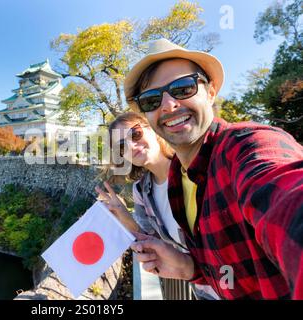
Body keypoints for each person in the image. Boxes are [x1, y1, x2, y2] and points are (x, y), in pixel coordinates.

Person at [123, 38, 303, 299]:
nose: (168, 105)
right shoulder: (178, 178)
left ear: (210, 91)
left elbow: (285, 197)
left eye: (183, 88)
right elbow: (229, 265)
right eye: (151, 100)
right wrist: (190, 268)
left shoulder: (246, 147)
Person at [95, 111, 219, 299]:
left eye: (135, 134)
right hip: (205, 290)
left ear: (153, 129)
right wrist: (124, 216)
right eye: (121, 146)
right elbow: (153, 243)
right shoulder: (142, 191)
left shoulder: (195, 167)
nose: (130, 145)